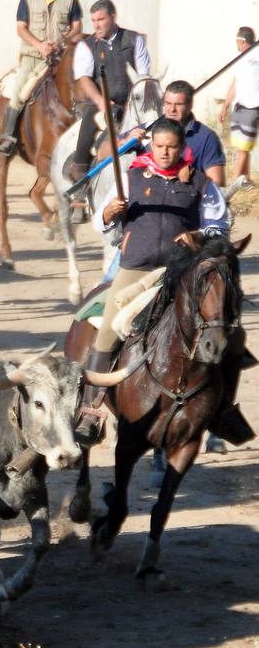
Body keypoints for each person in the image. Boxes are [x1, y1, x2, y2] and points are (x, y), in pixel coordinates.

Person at [76, 117, 230, 443]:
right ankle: (90, 410)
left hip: (183, 272)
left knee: (225, 328)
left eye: (171, 147)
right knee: (106, 329)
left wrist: (199, 237)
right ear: (151, 145)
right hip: (136, 268)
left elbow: (219, 227)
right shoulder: (129, 177)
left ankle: (222, 412)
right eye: (159, 146)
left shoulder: (200, 183)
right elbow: (98, 222)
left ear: (182, 148)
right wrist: (109, 213)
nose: (164, 152)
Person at [0, 0, 82, 154]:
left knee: (80, 88)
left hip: (62, 57)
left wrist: (62, 41)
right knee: (19, 93)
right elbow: (21, 28)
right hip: (33, 56)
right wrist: (40, 45)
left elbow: (77, 26)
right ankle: (8, 137)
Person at [67, 0, 150, 178]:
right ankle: (80, 172)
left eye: (101, 19)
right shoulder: (87, 45)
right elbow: (84, 78)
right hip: (101, 103)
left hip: (133, 103)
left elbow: (144, 76)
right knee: (88, 123)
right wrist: (100, 101)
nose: (96, 25)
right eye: (94, 21)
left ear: (113, 17)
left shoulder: (134, 40)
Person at [222, 26, 259, 190]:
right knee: (241, 146)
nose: (236, 44)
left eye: (237, 41)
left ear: (243, 41)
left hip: (252, 107)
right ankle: (245, 179)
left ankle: (235, 183)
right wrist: (225, 106)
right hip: (239, 107)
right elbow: (235, 84)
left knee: (243, 147)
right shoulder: (240, 59)